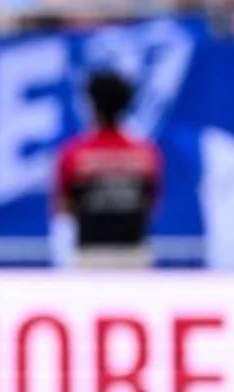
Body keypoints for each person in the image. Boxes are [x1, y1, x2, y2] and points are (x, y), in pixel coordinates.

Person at [55, 70, 162, 269]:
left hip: (90, 256)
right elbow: (150, 204)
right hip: (134, 255)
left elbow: (63, 208)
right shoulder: (145, 153)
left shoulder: (75, 154)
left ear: (92, 105)